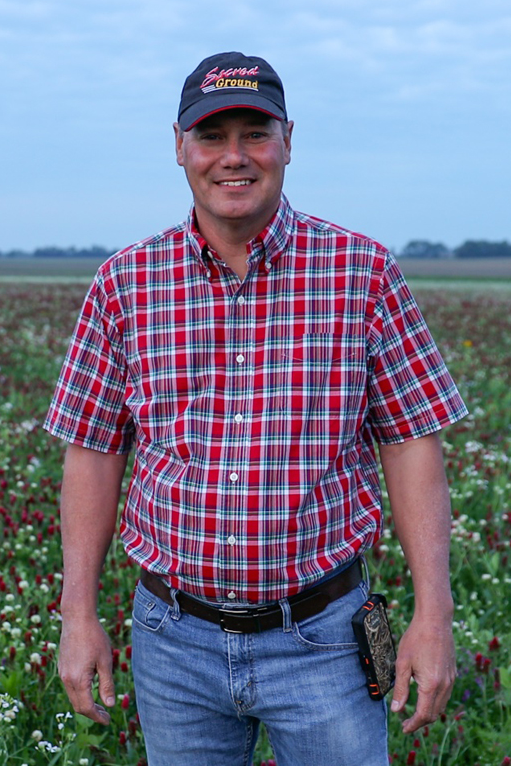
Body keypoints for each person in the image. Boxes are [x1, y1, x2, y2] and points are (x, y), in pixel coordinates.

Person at [43, 52, 468, 765]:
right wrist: (77, 616)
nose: (233, 157)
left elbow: (411, 443)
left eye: (255, 132)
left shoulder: (361, 273)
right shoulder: (125, 284)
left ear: (288, 141)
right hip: (172, 639)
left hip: (325, 637)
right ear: (180, 147)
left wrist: (435, 614)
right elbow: (92, 451)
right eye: (212, 136)